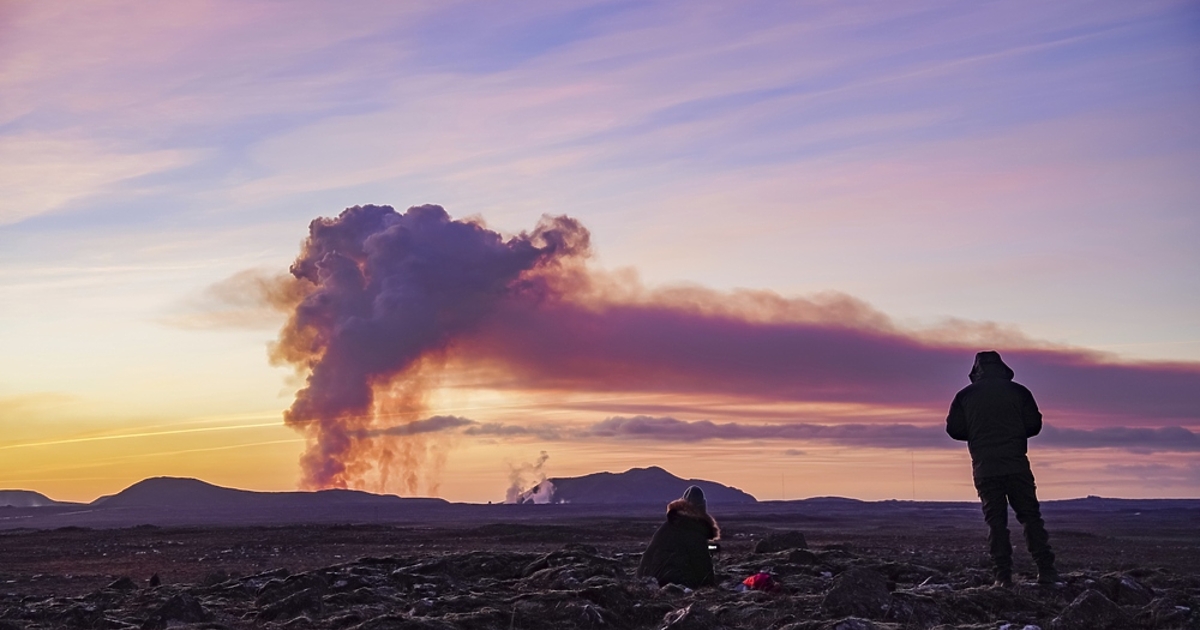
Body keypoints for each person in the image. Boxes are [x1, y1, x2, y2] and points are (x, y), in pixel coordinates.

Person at [947, 350, 1059, 587]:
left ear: (976, 369)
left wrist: (979, 433)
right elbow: (1034, 425)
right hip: (1017, 464)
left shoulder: (965, 396)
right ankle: (1046, 571)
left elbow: (954, 430)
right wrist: (1012, 432)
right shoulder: (1019, 391)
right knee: (1030, 517)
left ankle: (1003, 576)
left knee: (996, 523)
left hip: (985, 468)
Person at [636, 485, 720, 588]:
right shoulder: (696, 532)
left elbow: (648, 556)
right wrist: (711, 587)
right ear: (703, 507)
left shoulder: (666, 527)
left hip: (657, 581)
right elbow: (702, 565)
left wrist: (639, 581)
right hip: (683, 584)